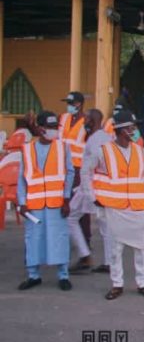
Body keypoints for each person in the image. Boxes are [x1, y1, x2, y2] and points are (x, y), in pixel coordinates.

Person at [88, 110, 144, 300]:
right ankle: (117, 283)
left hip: (137, 206)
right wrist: (92, 195)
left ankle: (142, 282)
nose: (134, 131)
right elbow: (86, 172)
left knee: (141, 248)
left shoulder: (139, 150)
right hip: (115, 207)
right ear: (120, 130)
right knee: (115, 249)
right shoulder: (103, 151)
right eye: (131, 128)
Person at [17, 111, 75, 292]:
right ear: (40, 129)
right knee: (33, 239)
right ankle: (33, 275)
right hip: (34, 204)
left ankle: (63, 275)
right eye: (50, 127)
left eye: (55, 127)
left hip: (56, 203)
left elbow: (70, 172)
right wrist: (21, 202)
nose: (53, 131)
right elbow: (21, 178)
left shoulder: (62, 147)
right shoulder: (27, 149)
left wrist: (66, 199)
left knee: (59, 238)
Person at [68, 109, 108, 272]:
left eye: (86, 120)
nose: (84, 123)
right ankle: (108, 262)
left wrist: (86, 191)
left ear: (92, 121)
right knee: (105, 226)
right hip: (102, 187)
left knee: (70, 217)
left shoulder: (93, 140)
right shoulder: (107, 137)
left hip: (90, 187)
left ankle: (85, 256)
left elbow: (87, 170)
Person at [59, 92, 89, 248]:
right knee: (64, 202)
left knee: (79, 205)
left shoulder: (87, 122)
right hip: (62, 166)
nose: (68, 106)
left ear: (79, 104)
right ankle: (66, 237)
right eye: (67, 103)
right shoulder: (64, 118)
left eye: (71, 103)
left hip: (79, 167)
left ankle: (86, 239)